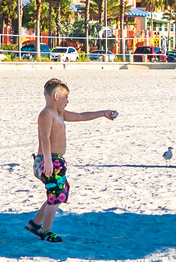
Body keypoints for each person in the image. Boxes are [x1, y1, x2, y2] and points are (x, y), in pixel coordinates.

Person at [28, 77, 118, 243]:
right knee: (56, 194)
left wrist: (103, 113)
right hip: (47, 160)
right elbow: (44, 138)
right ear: (56, 97)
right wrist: (47, 161)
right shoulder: (46, 114)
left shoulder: (59, 113)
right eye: (65, 97)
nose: (67, 101)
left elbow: (81, 116)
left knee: (59, 191)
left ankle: (35, 224)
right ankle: (45, 231)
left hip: (56, 160)